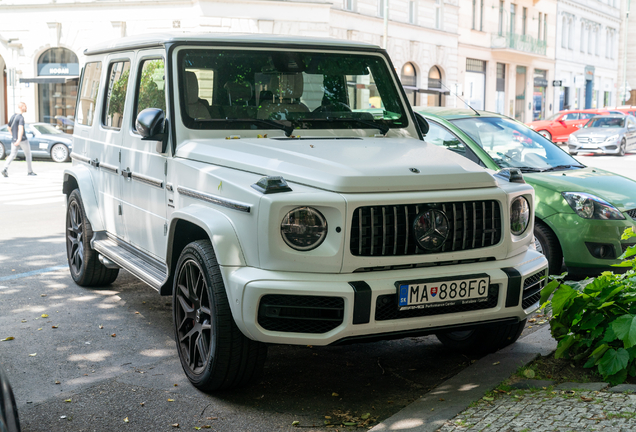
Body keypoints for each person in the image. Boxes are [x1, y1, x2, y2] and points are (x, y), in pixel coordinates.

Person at [1, 102, 36, 177]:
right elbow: (21, 129)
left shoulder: (13, 116)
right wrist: (19, 139)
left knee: (12, 155)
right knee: (28, 154)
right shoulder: (20, 117)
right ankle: (30, 171)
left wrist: (14, 136)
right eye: (25, 107)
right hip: (22, 140)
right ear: (21, 107)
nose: (26, 108)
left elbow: (8, 127)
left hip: (14, 139)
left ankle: (5, 169)